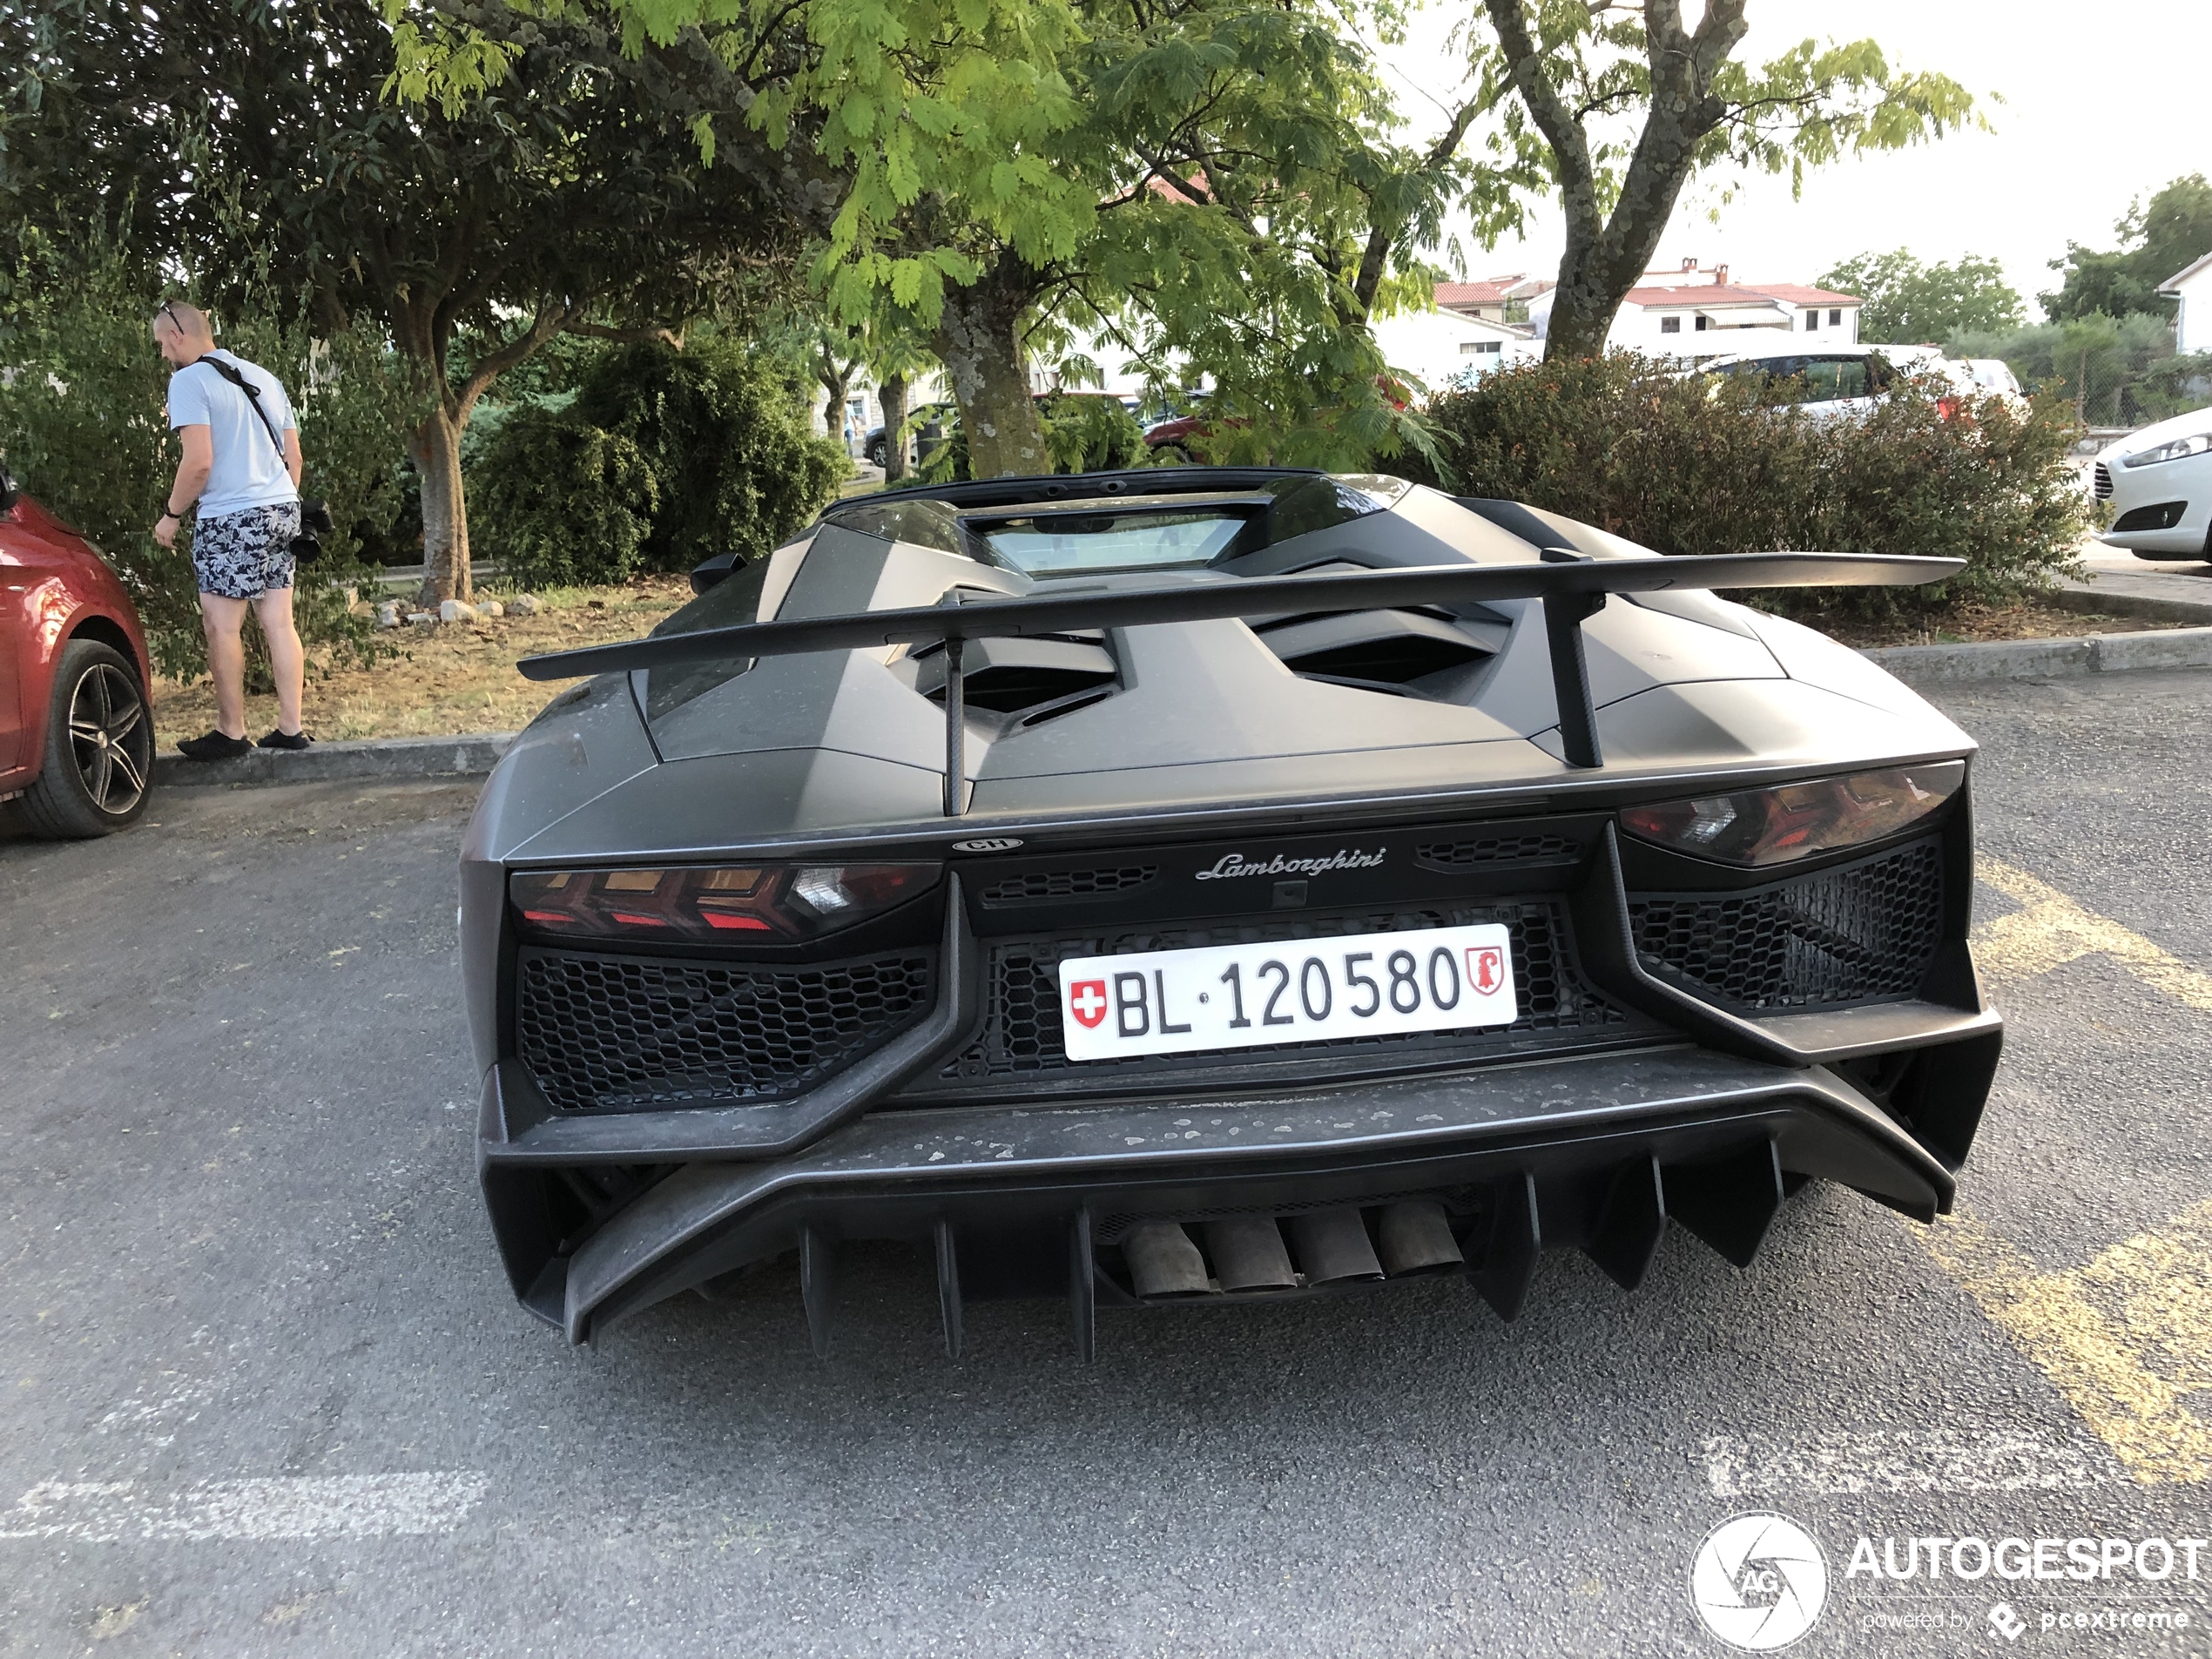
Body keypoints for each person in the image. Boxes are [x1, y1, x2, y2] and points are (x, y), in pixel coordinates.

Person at [152, 300, 312, 759]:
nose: (164, 353)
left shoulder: (187, 382)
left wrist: (172, 514)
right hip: (283, 507)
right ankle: (290, 727)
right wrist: (278, 504)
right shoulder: (265, 378)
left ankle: (231, 732)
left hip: (229, 515)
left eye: (163, 343)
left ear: (179, 335)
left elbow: (199, 463)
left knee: (222, 627)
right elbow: (293, 458)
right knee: (279, 622)